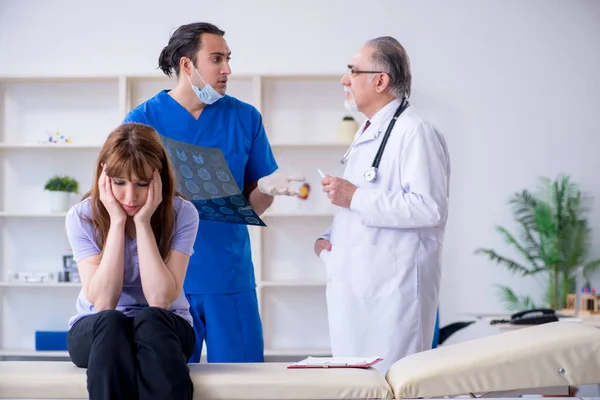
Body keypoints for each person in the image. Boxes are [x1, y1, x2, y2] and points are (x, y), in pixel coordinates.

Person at [123, 22, 303, 363]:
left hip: (228, 276)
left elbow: (252, 205)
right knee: (170, 383)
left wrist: (266, 189)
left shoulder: (244, 118)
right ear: (187, 65)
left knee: (244, 384)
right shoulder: (141, 122)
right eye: (216, 59)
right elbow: (125, 200)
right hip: (165, 279)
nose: (227, 69)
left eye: (228, 59)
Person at [315, 36, 451, 374]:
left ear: (380, 80)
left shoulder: (415, 132)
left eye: (352, 71)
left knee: (395, 386)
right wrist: (330, 239)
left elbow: (428, 208)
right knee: (357, 387)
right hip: (358, 289)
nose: (344, 80)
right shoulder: (371, 132)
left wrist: (353, 196)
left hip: (394, 298)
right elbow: (365, 204)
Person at [65, 122, 199, 400]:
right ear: (104, 177)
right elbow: (102, 302)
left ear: (159, 179)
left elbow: (160, 300)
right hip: (97, 329)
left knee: (151, 319)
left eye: (142, 184)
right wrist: (116, 222)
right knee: (111, 322)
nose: (130, 196)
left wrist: (142, 222)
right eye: (119, 183)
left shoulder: (183, 213)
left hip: (166, 329)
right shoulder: (81, 217)